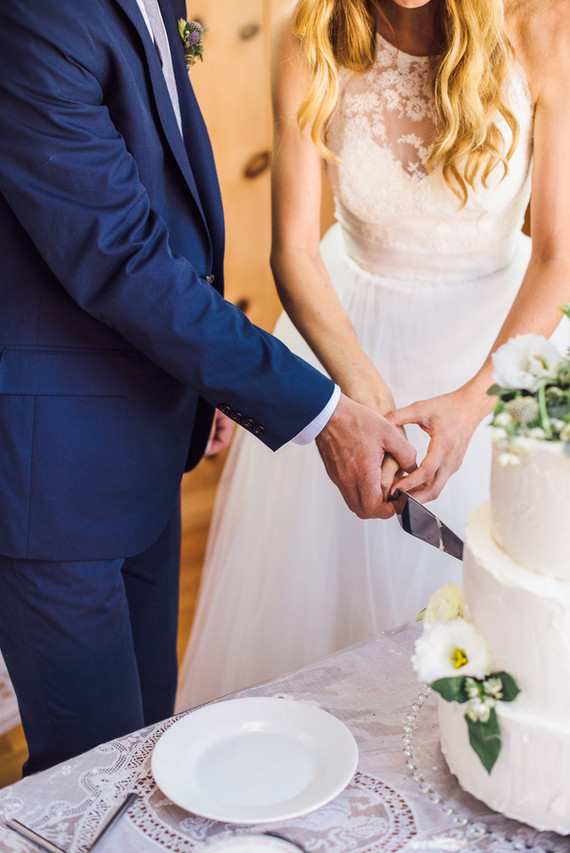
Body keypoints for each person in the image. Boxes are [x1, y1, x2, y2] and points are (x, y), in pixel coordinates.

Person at [0, 0, 417, 776]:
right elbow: (121, 259)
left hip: (146, 435)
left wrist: (200, 379)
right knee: (90, 779)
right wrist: (324, 413)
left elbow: (155, 201)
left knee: (147, 747)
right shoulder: (36, 15)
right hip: (48, 479)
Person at [176, 0, 570, 711]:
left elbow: (557, 257)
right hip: (347, 344)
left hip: (501, 351)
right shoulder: (308, 34)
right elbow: (293, 251)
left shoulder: (541, 24)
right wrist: (363, 397)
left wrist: (476, 400)